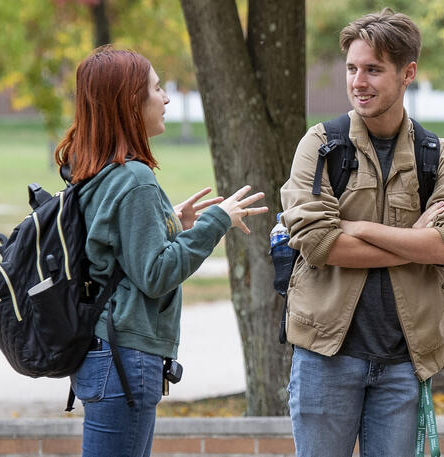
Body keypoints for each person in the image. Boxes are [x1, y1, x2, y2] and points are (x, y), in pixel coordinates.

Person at [278, 8, 444, 457]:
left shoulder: (436, 154)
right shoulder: (321, 145)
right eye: (352, 68)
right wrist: (413, 242)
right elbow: (318, 242)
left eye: (373, 69)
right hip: (325, 358)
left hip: (403, 364)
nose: (358, 81)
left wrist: (362, 228)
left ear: (407, 73)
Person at [57, 46, 267, 457]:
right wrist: (216, 221)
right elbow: (155, 274)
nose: (167, 98)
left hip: (102, 355)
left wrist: (169, 223)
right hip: (123, 357)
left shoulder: (94, 170)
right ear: (130, 102)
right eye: (157, 89)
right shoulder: (133, 178)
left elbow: (115, 253)